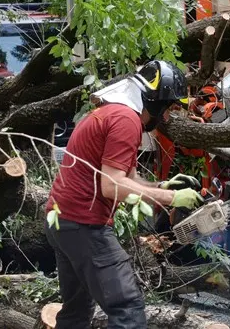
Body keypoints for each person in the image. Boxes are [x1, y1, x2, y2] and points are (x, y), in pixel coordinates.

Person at [45, 60, 204, 328]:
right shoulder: (126, 120)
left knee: (76, 313)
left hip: (62, 222)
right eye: (168, 109)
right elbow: (112, 186)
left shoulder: (113, 113)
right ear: (155, 101)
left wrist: (162, 187)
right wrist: (173, 199)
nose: (166, 117)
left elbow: (126, 179)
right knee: (127, 307)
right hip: (85, 225)